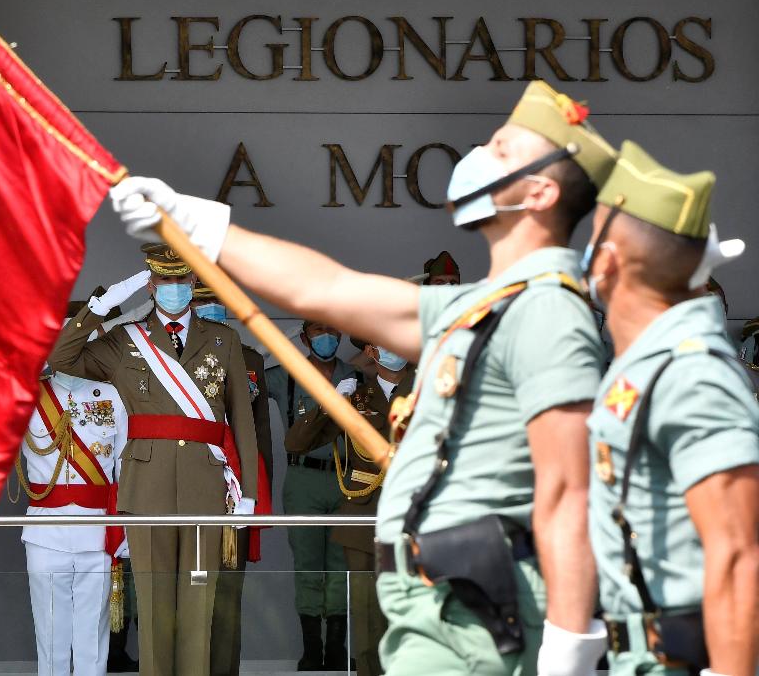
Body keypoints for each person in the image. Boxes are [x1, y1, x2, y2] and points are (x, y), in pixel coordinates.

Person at [109, 80, 617, 675]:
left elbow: (568, 490)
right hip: (444, 611)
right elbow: (324, 289)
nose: (478, 155)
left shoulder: (549, 313)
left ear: (541, 190)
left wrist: (569, 643)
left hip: (493, 628)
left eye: (501, 149)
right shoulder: (482, 306)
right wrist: (198, 224)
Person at [580, 141, 759, 676]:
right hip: (636, 651)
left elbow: (736, 557)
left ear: (609, 262)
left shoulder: (693, 374)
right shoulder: (647, 365)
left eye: (592, 244)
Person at [48, 244, 260, 676]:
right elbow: (59, 359)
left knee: (200, 605)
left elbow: (243, 424)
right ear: (150, 285)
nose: (174, 289)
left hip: (205, 488)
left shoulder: (224, 341)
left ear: (194, 283)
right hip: (147, 488)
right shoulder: (125, 339)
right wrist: (102, 305)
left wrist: (249, 494)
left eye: (182, 280)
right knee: (155, 604)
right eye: (165, 280)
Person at [286, 337, 413, 676]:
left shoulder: (432, 387)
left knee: (417, 618)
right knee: (368, 620)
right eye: (383, 342)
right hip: (364, 518)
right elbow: (296, 442)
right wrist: (330, 402)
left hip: (417, 516)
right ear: (372, 351)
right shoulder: (356, 396)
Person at [20, 306, 128, 676]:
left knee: (91, 642)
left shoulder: (113, 398)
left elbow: (125, 467)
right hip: (45, 531)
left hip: (98, 533)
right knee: (49, 638)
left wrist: (123, 532)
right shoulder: (26, 397)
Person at [191, 283, 274, 676]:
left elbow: (259, 431)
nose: (212, 308)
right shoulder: (172, 353)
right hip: (187, 483)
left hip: (236, 489)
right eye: (204, 302)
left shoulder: (250, 359)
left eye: (217, 302)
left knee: (227, 591)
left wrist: (258, 494)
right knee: (188, 587)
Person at [266, 320, 356, 671]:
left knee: (341, 568)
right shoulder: (286, 376)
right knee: (307, 567)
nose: (327, 337)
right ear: (304, 337)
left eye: (333, 330)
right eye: (318, 331)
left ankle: (336, 649)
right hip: (303, 478)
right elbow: (242, 372)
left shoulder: (355, 376)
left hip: (348, 479)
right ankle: (312, 650)